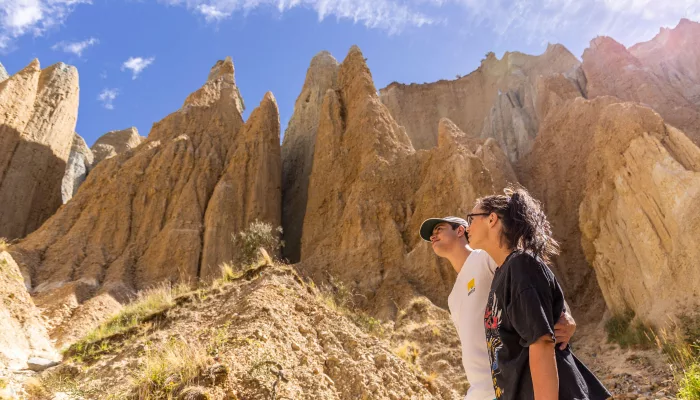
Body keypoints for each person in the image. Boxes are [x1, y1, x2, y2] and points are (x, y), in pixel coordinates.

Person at [466, 187, 610, 400]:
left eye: (471, 218)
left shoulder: (521, 266)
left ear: (491, 219)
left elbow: (541, 341)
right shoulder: (504, 273)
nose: (467, 226)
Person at [418, 216, 577, 400]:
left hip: (510, 383)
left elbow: (533, 273)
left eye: (438, 229)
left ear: (460, 230)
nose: (433, 236)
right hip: (479, 391)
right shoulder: (453, 296)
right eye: (431, 235)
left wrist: (565, 314)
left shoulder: (484, 257)